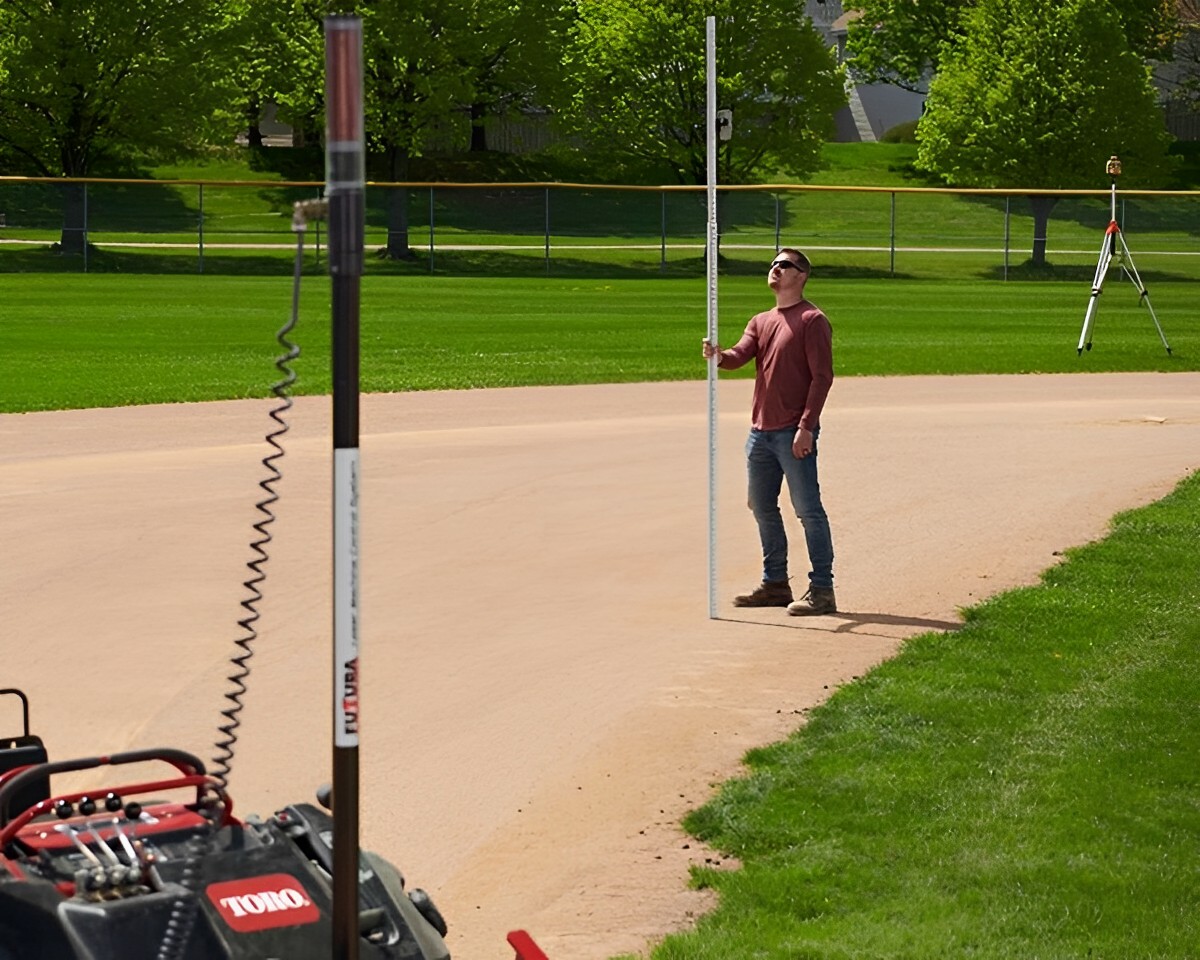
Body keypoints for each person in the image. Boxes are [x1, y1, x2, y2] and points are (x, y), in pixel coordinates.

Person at [702, 248, 837, 616]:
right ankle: (775, 583)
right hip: (760, 434)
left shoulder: (812, 320)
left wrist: (807, 427)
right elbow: (739, 355)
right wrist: (718, 355)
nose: (776, 269)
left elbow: (822, 377)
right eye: (773, 265)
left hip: (793, 432)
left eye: (785, 265)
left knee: (808, 510)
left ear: (802, 275)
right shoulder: (761, 320)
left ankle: (822, 589)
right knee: (761, 506)